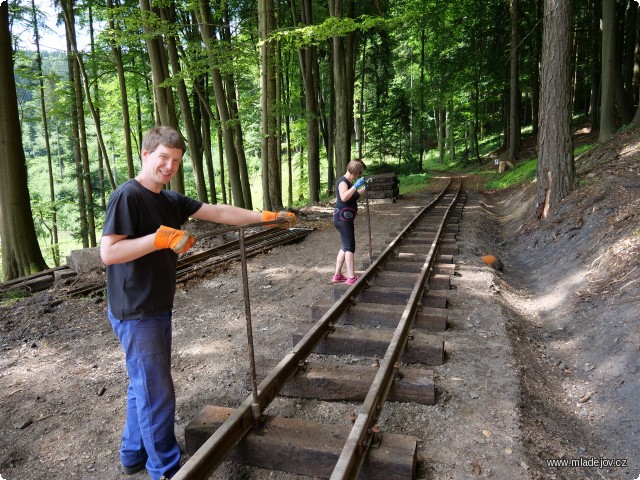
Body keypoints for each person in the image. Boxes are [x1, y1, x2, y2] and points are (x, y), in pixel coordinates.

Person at [100, 125, 295, 480]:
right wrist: (158, 240)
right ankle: (167, 470)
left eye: (175, 160)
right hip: (136, 311)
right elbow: (108, 253)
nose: (169, 166)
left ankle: (132, 454)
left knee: (143, 383)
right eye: (163, 158)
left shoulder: (170, 200)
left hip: (155, 306)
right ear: (146, 155)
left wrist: (264, 218)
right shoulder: (127, 196)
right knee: (157, 392)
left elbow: (219, 212)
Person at [332, 158, 367, 286]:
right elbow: (344, 196)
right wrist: (357, 185)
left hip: (344, 218)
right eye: (359, 173)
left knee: (344, 246)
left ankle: (337, 275)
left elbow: (355, 196)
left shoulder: (349, 183)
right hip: (343, 218)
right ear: (354, 171)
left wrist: (365, 188)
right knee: (350, 247)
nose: (359, 175)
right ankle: (351, 277)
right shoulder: (343, 182)